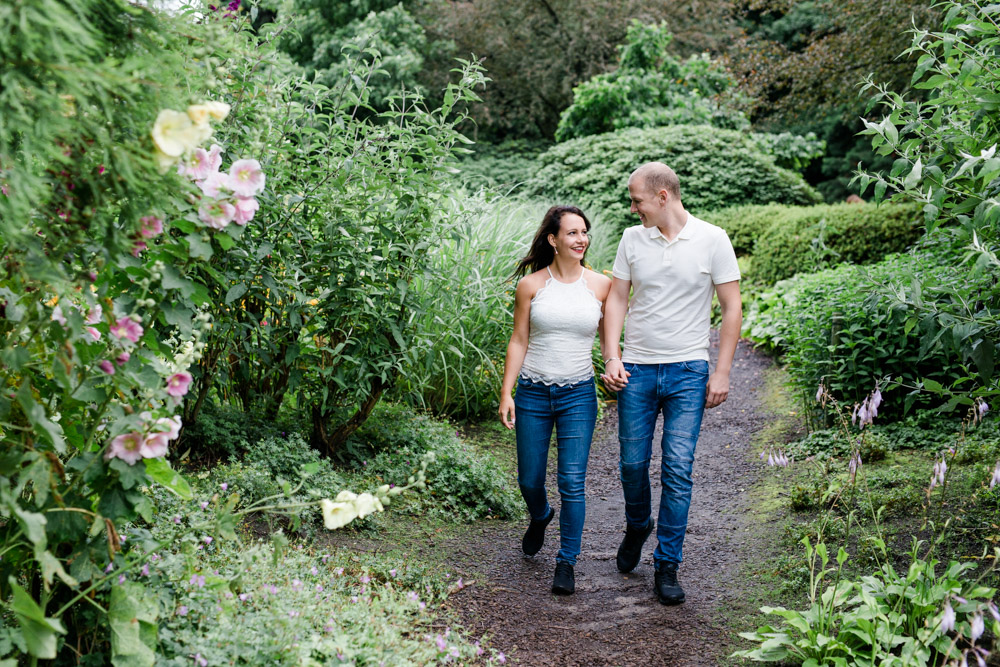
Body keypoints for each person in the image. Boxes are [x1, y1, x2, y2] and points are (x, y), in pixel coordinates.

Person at [600, 162, 742, 605]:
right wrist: (612, 355)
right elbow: (617, 299)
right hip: (637, 370)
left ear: (663, 197)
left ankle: (667, 564)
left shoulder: (713, 239)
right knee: (631, 464)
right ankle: (638, 524)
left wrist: (722, 371)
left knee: (678, 469)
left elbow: (732, 307)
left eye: (637, 200)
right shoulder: (631, 239)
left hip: (688, 372)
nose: (633, 208)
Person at [499, 205, 611, 595]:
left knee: (572, 481)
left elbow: (610, 340)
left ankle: (567, 562)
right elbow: (519, 340)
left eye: (584, 232)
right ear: (553, 239)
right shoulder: (531, 286)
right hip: (532, 392)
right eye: (572, 233)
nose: (581, 239)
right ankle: (541, 515)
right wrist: (507, 392)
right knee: (529, 480)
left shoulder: (601, 286)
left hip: (578, 394)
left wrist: (615, 367)